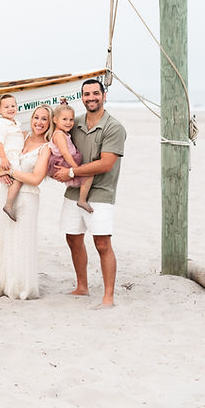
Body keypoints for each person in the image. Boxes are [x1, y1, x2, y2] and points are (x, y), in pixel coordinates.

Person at [53, 79, 126, 309]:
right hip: (74, 190)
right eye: (86, 94)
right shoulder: (73, 122)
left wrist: (71, 171)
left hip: (101, 192)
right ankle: (82, 287)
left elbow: (105, 164)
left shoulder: (114, 127)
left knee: (102, 243)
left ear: (104, 96)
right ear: (82, 97)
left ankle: (108, 298)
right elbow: (53, 127)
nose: (91, 97)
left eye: (96, 93)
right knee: (72, 238)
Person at [0, 104, 53, 300]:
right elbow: (2, 153)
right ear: (31, 119)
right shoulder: (21, 136)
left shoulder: (46, 148)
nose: (39, 122)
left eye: (44, 119)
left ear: (49, 123)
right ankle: (2, 285)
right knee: (4, 239)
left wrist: (12, 172)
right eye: (36, 117)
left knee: (21, 242)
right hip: (7, 192)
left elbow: (35, 179)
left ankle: (19, 287)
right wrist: (1, 171)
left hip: (27, 197)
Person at [48, 103, 95, 214]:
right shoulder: (59, 135)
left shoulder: (63, 133)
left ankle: (82, 197)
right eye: (64, 119)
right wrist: (75, 168)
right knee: (89, 174)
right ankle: (82, 200)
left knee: (86, 174)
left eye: (71, 119)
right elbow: (65, 153)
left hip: (67, 161)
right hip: (64, 162)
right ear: (55, 120)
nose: (68, 123)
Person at [0, 93, 25, 221]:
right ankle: (9, 205)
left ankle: (11, 201)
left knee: (13, 178)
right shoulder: (2, 124)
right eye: (6, 107)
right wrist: (4, 159)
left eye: (13, 105)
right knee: (19, 177)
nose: (10, 109)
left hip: (13, 156)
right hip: (7, 156)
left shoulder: (15, 123)